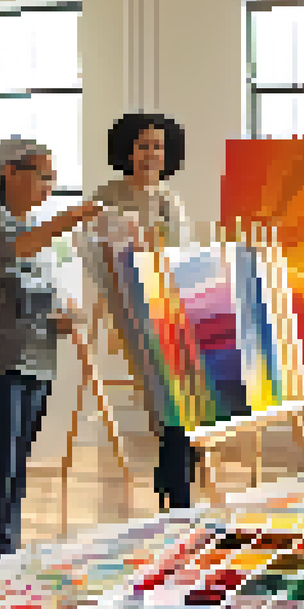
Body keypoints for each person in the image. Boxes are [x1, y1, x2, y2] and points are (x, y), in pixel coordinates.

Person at [0, 137, 101, 559]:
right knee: (2, 462)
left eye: (53, 179)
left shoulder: (30, 223)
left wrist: (62, 313)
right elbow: (10, 257)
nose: (49, 187)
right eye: (42, 176)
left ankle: (8, 545)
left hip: (36, 356)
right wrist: (72, 218)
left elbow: (39, 287)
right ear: (9, 172)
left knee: (19, 461)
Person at [83, 112, 195, 510]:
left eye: (158, 146)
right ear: (127, 150)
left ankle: (176, 482)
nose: (151, 154)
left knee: (184, 399)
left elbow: (183, 254)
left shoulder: (170, 199)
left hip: (171, 305)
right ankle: (175, 487)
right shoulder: (108, 196)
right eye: (144, 145)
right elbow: (96, 255)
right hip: (129, 306)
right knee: (169, 402)